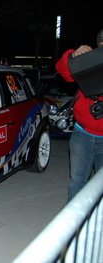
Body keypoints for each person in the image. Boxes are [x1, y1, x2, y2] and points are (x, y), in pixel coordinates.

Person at [55, 28, 103, 201]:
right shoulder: (91, 60)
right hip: (82, 134)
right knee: (77, 181)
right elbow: (64, 72)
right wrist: (73, 56)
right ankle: (75, 224)